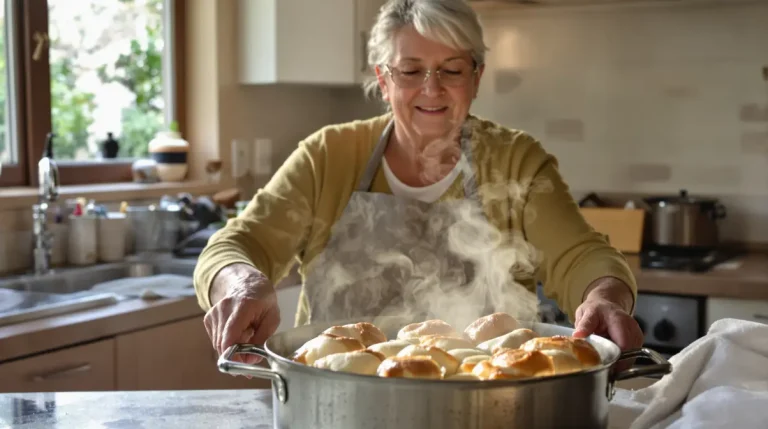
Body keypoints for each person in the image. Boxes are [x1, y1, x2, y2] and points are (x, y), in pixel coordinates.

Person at [194, 0, 644, 362]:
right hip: (337, 401)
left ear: (476, 78)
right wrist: (242, 285)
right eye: (410, 70)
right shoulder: (327, 157)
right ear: (383, 80)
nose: (432, 88)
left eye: (452, 69)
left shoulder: (515, 162)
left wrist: (603, 297)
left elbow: (581, 256)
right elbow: (237, 244)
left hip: (486, 400)